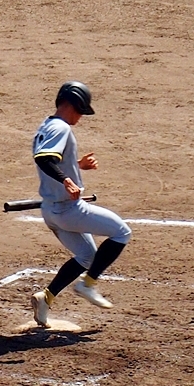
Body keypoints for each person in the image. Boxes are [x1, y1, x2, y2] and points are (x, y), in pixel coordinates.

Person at [29, 81, 132, 328]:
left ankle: (46, 298)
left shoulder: (46, 125)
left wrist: (76, 166)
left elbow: (53, 160)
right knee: (121, 232)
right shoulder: (61, 128)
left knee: (87, 256)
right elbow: (44, 159)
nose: (80, 117)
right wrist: (67, 180)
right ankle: (88, 284)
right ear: (73, 105)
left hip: (50, 211)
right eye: (81, 111)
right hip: (69, 211)